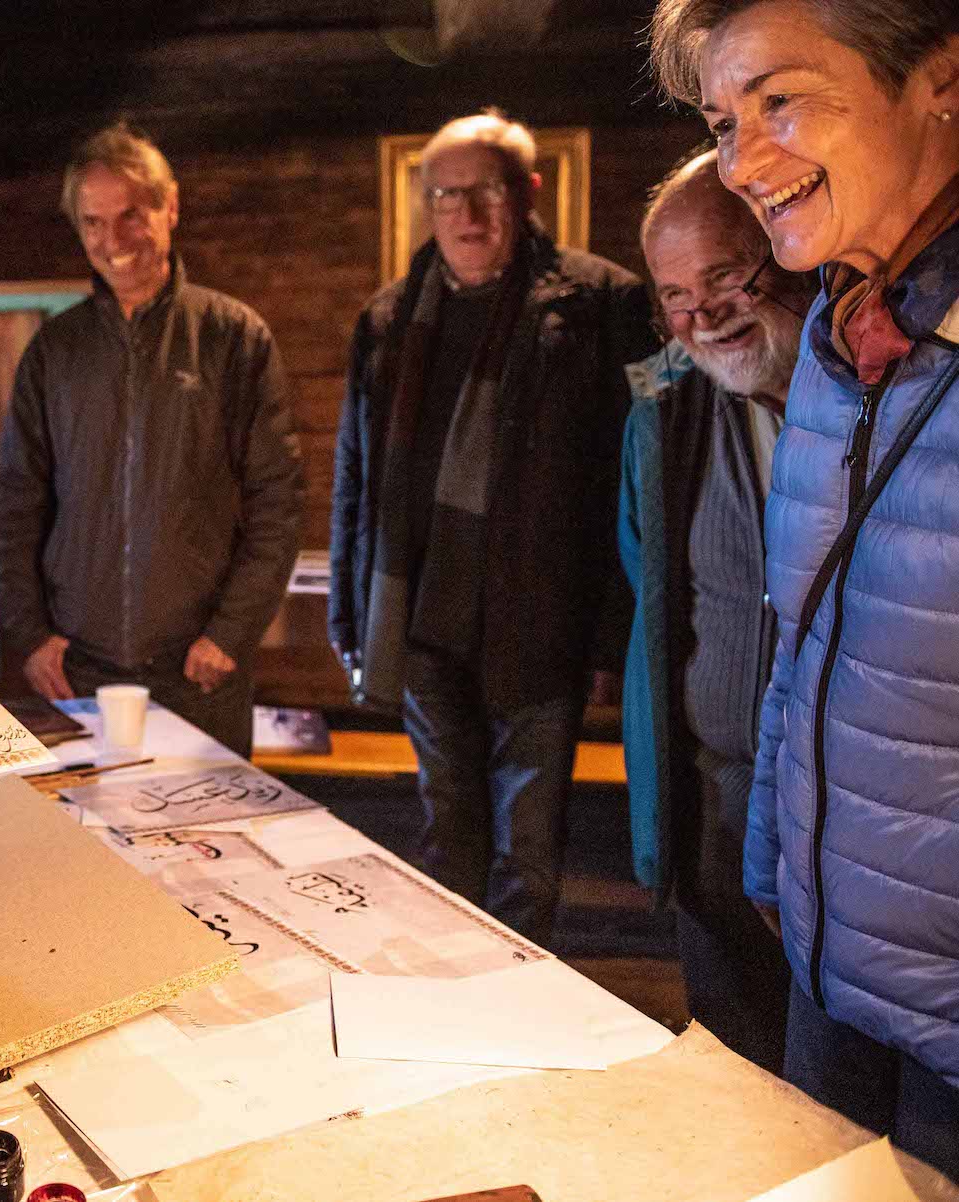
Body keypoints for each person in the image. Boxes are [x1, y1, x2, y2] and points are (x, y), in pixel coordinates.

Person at [652, 0, 959, 1176]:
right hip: (833, 966)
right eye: (723, 123)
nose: (745, 162)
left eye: (781, 99)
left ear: (940, 78)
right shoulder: (843, 338)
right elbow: (807, 639)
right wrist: (778, 855)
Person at [327, 109, 654, 944]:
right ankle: (457, 982)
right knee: (447, 832)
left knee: (529, 849)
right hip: (424, 621)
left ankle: (521, 989)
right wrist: (349, 613)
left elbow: (625, 486)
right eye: (446, 195)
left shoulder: (600, 304)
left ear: (527, 193)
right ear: (427, 204)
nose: (466, 214)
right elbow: (357, 474)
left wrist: (611, 635)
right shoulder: (390, 318)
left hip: (540, 622)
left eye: (486, 192)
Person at [0, 122, 303, 759]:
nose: (113, 242)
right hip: (78, 669)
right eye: (93, 222)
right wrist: (30, 634)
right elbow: (17, 501)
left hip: (199, 670)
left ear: (171, 207)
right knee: (90, 822)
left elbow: (278, 501)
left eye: (131, 215)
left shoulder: (234, 337)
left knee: (210, 822)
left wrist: (230, 633)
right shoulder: (55, 351)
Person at [618, 150, 814, 1073]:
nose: (703, 316)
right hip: (710, 805)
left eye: (725, 277)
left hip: (835, 816)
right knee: (732, 1064)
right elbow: (651, 589)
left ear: (785, 250)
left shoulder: (867, 394)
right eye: (675, 296)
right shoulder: (663, 410)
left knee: (839, 1082)